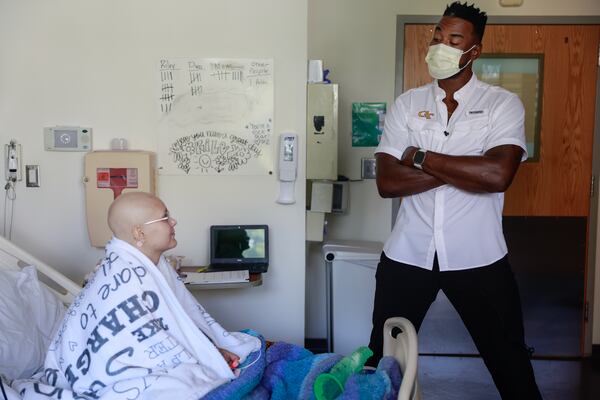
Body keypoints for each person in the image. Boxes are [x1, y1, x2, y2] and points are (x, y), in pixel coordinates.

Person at [367, 2, 542, 399]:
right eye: (437, 37)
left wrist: (420, 156)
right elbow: (388, 182)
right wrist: (466, 169)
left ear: (473, 51)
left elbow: (497, 176)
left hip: (478, 257)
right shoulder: (407, 104)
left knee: (509, 360)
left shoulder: (502, 104)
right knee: (383, 359)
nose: (440, 46)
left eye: (454, 39)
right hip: (407, 255)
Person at [17, 192, 260, 400]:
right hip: (100, 368)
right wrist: (208, 356)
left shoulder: (154, 265)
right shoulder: (123, 276)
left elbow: (177, 323)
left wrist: (211, 348)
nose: (173, 221)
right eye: (165, 217)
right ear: (139, 233)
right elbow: (140, 341)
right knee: (182, 384)